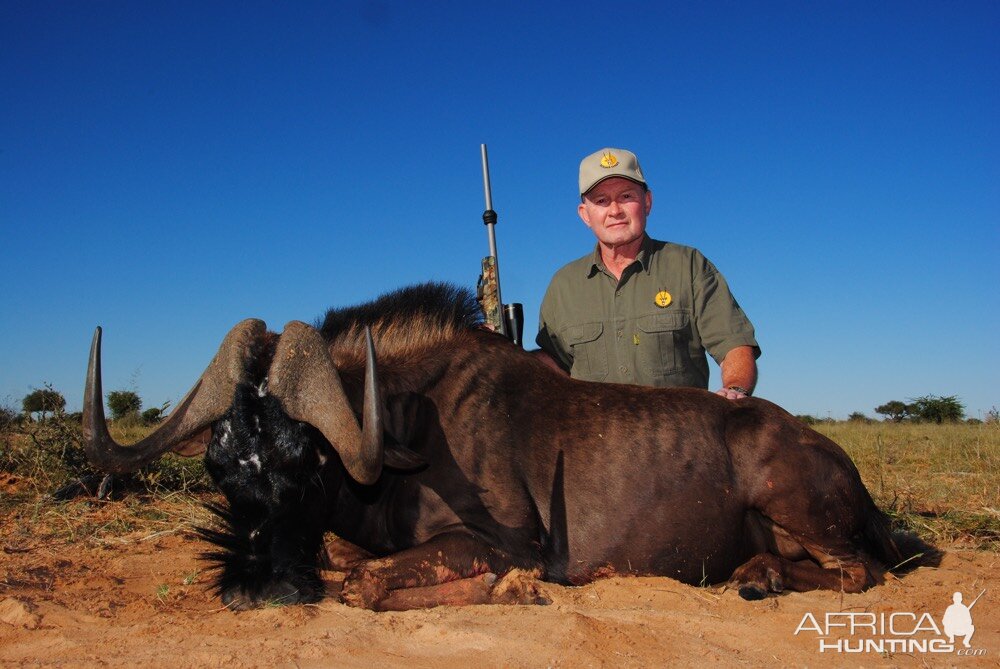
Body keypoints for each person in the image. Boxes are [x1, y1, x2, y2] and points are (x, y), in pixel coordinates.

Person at [536, 147, 759, 399]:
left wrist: (735, 390)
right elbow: (552, 364)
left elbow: (734, 344)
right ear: (585, 215)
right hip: (591, 437)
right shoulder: (563, 284)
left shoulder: (689, 266)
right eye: (601, 201)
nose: (615, 210)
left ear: (647, 202)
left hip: (678, 435)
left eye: (626, 196)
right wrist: (498, 350)